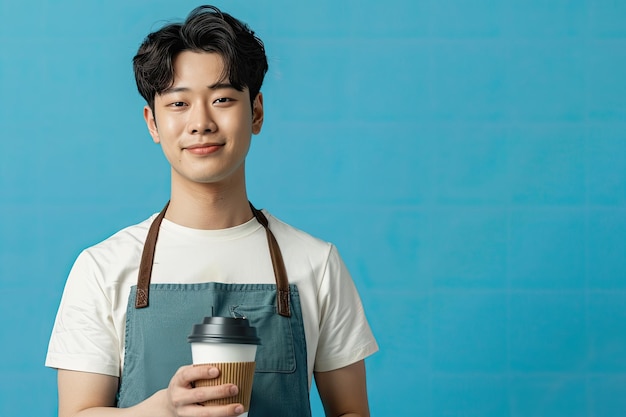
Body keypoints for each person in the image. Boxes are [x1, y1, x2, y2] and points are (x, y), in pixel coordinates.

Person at [45, 5, 378, 417]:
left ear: (255, 112)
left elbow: (351, 411)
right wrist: (165, 407)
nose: (201, 122)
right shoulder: (102, 268)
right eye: (179, 104)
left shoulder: (316, 263)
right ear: (152, 122)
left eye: (222, 99)